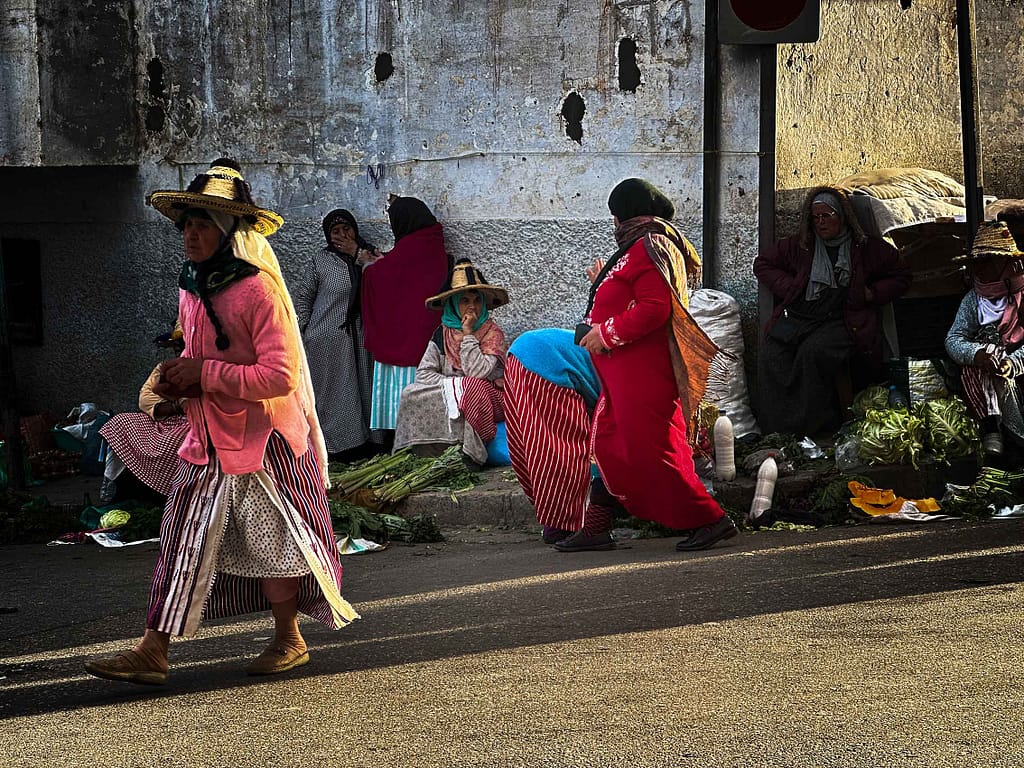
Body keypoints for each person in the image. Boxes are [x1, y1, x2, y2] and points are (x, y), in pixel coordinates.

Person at [84, 159, 358, 686]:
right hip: (207, 437)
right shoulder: (191, 287)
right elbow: (197, 349)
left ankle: (289, 637)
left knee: (274, 541)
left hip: (262, 445)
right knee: (181, 536)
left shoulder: (258, 292)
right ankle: (153, 649)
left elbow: (278, 376)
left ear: (230, 230)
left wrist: (203, 375)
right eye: (187, 222)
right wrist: (174, 384)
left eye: (204, 223)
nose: (191, 232)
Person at [505, 178, 738, 553]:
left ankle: (709, 519)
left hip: (642, 372)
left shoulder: (652, 245)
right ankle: (596, 529)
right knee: (611, 448)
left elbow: (656, 307)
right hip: (621, 372)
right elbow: (631, 297)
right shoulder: (637, 249)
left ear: (624, 215)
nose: (613, 225)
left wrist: (606, 333)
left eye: (614, 217)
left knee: (652, 451)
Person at [753, 185, 911, 436]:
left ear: (842, 216)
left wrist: (871, 293)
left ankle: (812, 428)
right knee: (772, 352)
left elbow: (901, 275)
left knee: (812, 353)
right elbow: (763, 264)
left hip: (845, 319)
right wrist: (789, 286)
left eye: (827, 216)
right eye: (816, 218)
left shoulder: (865, 248)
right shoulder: (801, 246)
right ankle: (778, 431)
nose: (821, 223)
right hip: (802, 316)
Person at [393, 259, 508, 464]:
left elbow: (477, 372)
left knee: (472, 387)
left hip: (491, 395)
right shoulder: (442, 333)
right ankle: (422, 453)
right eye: (465, 301)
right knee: (410, 392)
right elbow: (424, 373)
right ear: (454, 304)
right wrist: (452, 386)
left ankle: (471, 455)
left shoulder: (492, 332)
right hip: (456, 389)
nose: (472, 307)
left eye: (477, 300)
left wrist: (468, 334)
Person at [359, 196, 450, 445]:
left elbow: (383, 276)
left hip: (402, 336)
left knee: (399, 392)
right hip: (426, 338)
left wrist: (368, 265)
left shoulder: (411, 248)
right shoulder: (433, 243)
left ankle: (396, 438)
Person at [294, 208, 379, 462]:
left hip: (362, 339)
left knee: (362, 389)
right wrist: (302, 334)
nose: (342, 235)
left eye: (347, 229)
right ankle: (338, 449)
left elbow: (382, 281)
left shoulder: (369, 256)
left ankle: (367, 444)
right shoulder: (320, 261)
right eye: (335, 231)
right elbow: (303, 298)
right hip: (327, 339)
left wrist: (357, 254)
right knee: (335, 393)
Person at [945, 217, 1024, 462]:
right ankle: (994, 427)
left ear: (1008, 263)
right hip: (987, 376)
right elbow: (954, 338)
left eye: (988, 261)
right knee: (987, 351)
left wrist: (1013, 362)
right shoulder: (973, 300)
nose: (980, 269)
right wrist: (978, 354)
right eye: (977, 263)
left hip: (1019, 366)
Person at [98, 358, 189, 504]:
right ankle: (112, 483)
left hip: (190, 422)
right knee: (119, 422)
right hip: (163, 418)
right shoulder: (164, 367)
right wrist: (175, 407)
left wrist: (182, 405)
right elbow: (145, 398)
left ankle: (164, 494)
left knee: (178, 440)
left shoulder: (200, 366)